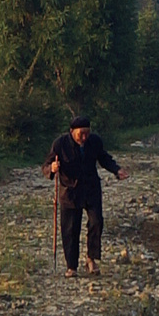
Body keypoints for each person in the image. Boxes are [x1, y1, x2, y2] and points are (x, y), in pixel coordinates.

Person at [43, 115, 124, 278]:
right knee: (70, 229)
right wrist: (52, 168)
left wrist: (117, 170)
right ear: (72, 132)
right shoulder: (60, 144)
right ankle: (71, 266)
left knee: (96, 222)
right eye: (81, 134)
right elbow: (46, 166)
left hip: (91, 188)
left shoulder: (95, 141)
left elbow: (104, 158)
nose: (85, 137)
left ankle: (91, 259)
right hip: (69, 191)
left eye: (87, 133)